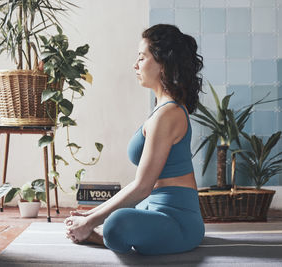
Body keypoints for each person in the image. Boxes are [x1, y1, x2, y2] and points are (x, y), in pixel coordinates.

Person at [64, 24, 204, 255]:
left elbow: (142, 187)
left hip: (178, 222)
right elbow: (139, 184)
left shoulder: (168, 114)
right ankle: (99, 230)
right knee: (112, 216)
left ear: (163, 64)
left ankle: (100, 235)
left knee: (117, 222)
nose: (135, 65)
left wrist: (90, 223)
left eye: (142, 57)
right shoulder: (163, 110)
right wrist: (90, 214)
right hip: (151, 209)